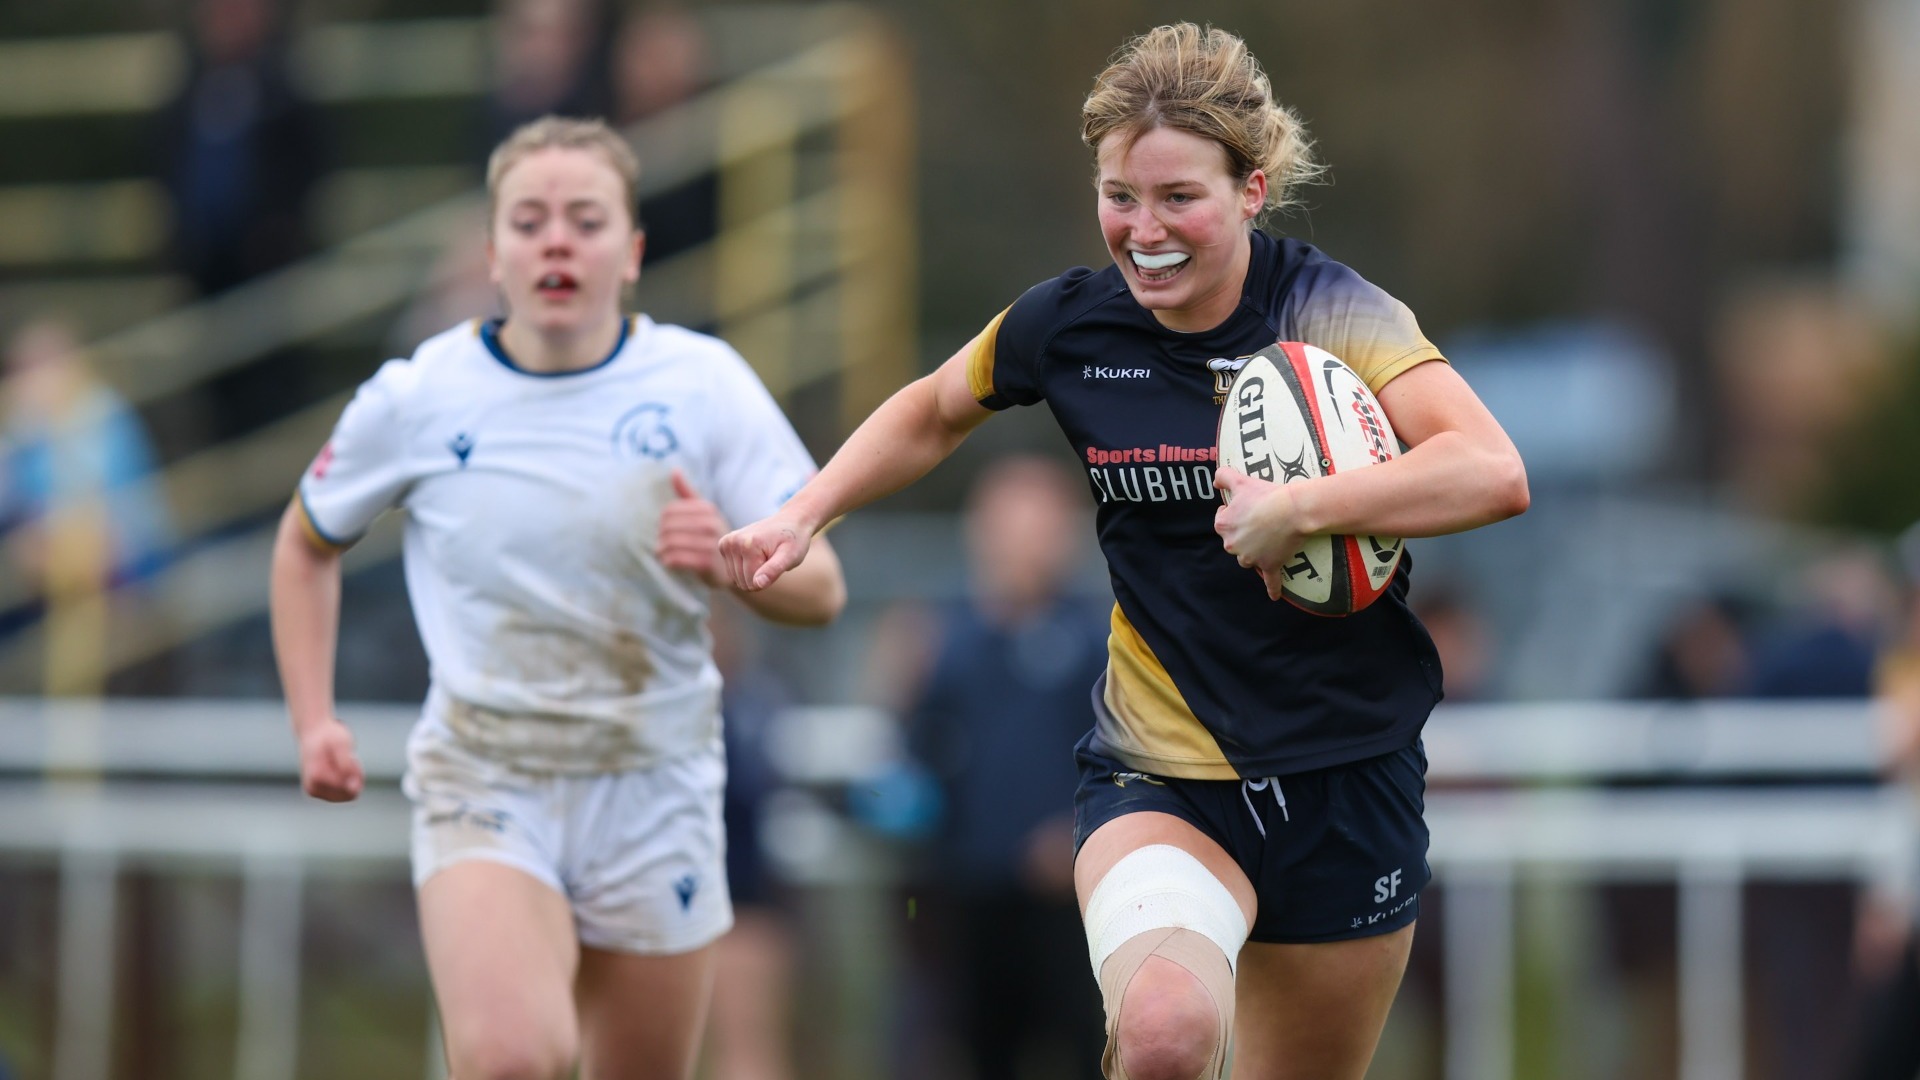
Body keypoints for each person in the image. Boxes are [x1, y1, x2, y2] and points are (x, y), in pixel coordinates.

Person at [721, 22, 1528, 1080]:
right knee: (1162, 1035)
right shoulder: (1071, 325)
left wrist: (1308, 509)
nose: (1143, 230)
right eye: (1119, 195)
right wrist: (801, 512)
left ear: (1253, 188)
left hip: (1348, 779)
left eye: (1178, 197)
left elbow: (1492, 470)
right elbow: (930, 411)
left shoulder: (1331, 310)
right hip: (1162, 777)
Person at [270, 116, 845, 1080]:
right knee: (513, 1058)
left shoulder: (704, 385)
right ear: (493, 255)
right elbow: (304, 541)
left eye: (586, 219)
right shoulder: (418, 398)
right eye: (530, 222)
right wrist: (312, 719)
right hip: (488, 771)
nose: (558, 242)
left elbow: (823, 590)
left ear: (632, 252)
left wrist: (730, 563)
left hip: (654, 777)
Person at [893, 454, 1110, 1079]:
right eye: (1014, 522)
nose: (1030, 539)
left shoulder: (1102, 637)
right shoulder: (943, 640)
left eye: (1044, 522)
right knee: (979, 1052)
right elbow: (918, 759)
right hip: (970, 894)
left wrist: (1076, 836)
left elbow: (1127, 760)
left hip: (1067, 900)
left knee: (1084, 1048)